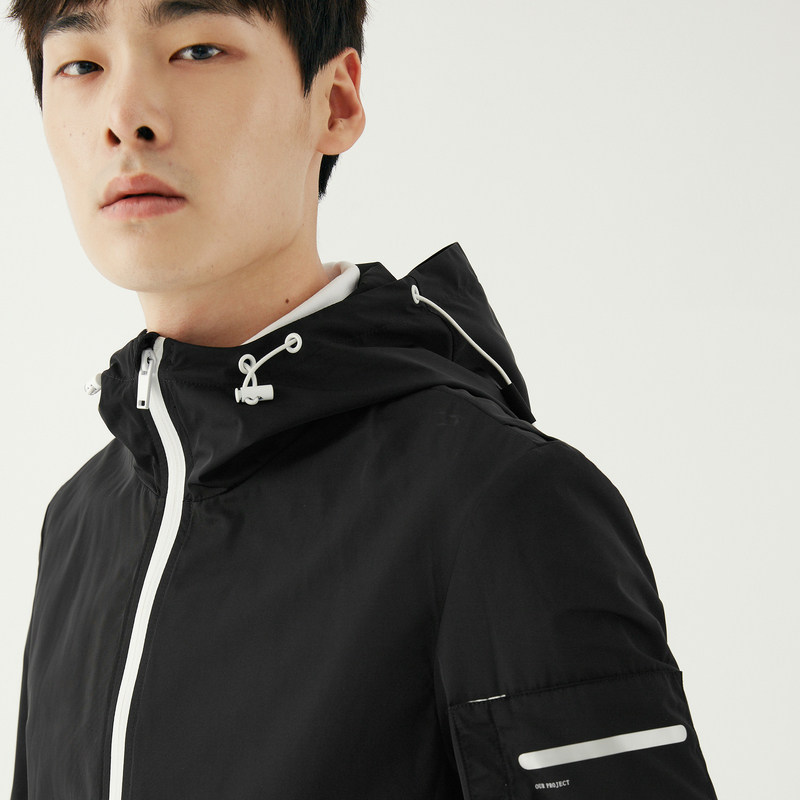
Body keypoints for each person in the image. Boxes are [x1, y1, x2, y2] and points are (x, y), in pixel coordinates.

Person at [7, 0, 718, 797]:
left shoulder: (497, 502)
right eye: (81, 65)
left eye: (199, 50)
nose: (125, 118)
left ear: (336, 102)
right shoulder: (79, 525)